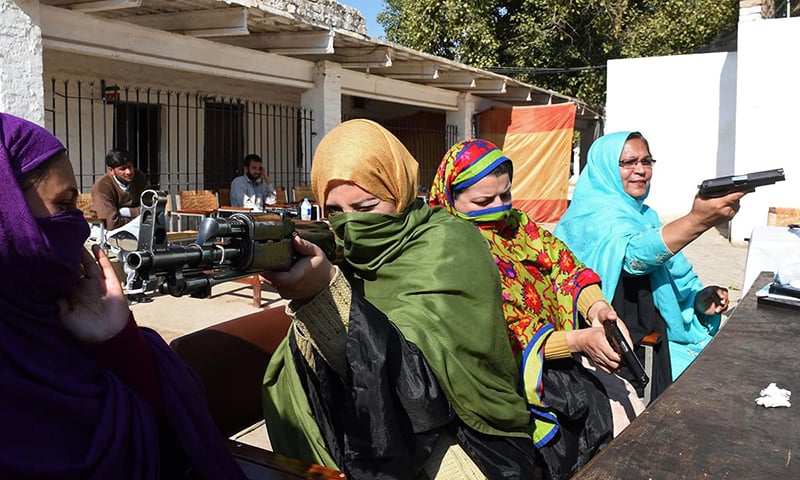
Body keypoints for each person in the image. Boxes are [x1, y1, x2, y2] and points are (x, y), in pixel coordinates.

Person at [261, 119, 537, 479]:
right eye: (334, 212)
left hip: (468, 435)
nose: (351, 224)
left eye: (365, 206)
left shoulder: (450, 242)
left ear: (400, 191)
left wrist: (326, 293)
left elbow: (422, 388)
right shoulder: (342, 257)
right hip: (369, 438)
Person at [0, 112, 245, 479]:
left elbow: (169, 435)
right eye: (65, 206)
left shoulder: (56, 322)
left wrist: (118, 337)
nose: (77, 225)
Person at [429, 139, 643, 480]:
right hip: (507, 386)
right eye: (483, 201)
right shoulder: (449, 247)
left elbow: (562, 264)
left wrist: (597, 307)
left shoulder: (517, 226)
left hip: (564, 361)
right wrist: (576, 342)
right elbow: (504, 332)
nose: (498, 208)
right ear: (449, 198)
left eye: (505, 195)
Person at [553, 131, 740, 399]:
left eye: (646, 161)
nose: (640, 170)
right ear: (604, 168)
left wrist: (699, 301)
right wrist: (698, 220)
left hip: (655, 344)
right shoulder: (591, 217)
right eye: (628, 163)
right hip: (617, 350)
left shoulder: (644, 215)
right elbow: (634, 257)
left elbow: (671, 274)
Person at [91, 148, 147, 230]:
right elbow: (111, 223)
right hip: (105, 230)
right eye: (123, 169)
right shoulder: (102, 186)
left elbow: (149, 209)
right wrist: (137, 217)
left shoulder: (140, 178)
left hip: (137, 224)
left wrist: (128, 212)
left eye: (130, 166)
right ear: (111, 170)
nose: (129, 172)